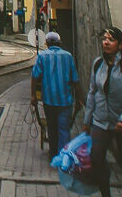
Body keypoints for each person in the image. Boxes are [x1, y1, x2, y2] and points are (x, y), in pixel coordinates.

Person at [84, 26, 122, 197]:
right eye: (104, 38)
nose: (106, 42)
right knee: (96, 159)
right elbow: (92, 92)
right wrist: (87, 121)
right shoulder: (98, 64)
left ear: (120, 45)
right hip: (101, 121)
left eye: (111, 39)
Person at [30, 31, 79, 161]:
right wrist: (79, 99)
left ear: (46, 43)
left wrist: (33, 95)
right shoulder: (68, 56)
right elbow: (75, 79)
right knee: (64, 128)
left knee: (51, 127)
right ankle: (64, 156)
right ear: (60, 43)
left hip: (49, 99)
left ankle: (53, 153)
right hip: (65, 100)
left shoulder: (42, 56)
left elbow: (35, 76)